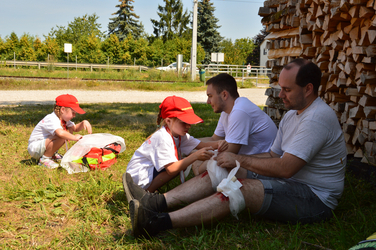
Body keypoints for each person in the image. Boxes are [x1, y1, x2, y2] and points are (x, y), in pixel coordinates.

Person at [123, 58, 347, 238]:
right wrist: (228, 161)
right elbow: (272, 155)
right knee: (218, 168)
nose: (280, 95)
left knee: (237, 189)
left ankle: (156, 222)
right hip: (290, 182)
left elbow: (285, 168)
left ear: (308, 89)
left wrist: (239, 161)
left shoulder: (316, 118)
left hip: (314, 198)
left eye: (286, 90)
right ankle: (155, 202)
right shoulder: (291, 115)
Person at [125, 95, 228, 193]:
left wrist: (219, 143)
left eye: (190, 122)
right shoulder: (162, 137)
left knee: (180, 164)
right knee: (178, 165)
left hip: (144, 175)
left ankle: (148, 191)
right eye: (184, 122)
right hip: (136, 179)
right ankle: (145, 194)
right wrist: (195, 156)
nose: (188, 126)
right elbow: (171, 169)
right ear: (169, 121)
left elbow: (201, 145)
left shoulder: (179, 134)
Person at [192, 73, 277, 175]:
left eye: (210, 96)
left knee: (211, 167)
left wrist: (195, 160)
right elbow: (215, 139)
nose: (208, 101)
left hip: (263, 165)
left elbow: (228, 153)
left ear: (224, 95)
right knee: (197, 158)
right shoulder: (228, 110)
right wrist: (186, 144)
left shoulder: (240, 111)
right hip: (246, 160)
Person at [28, 94, 92, 168]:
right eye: (73, 113)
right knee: (62, 135)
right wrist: (74, 137)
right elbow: (60, 133)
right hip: (35, 148)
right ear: (63, 110)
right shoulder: (51, 118)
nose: (74, 115)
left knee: (65, 133)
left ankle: (51, 154)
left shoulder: (64, 119)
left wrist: (83, 122)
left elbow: (75, 128)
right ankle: (45, 159)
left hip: (42, 146)